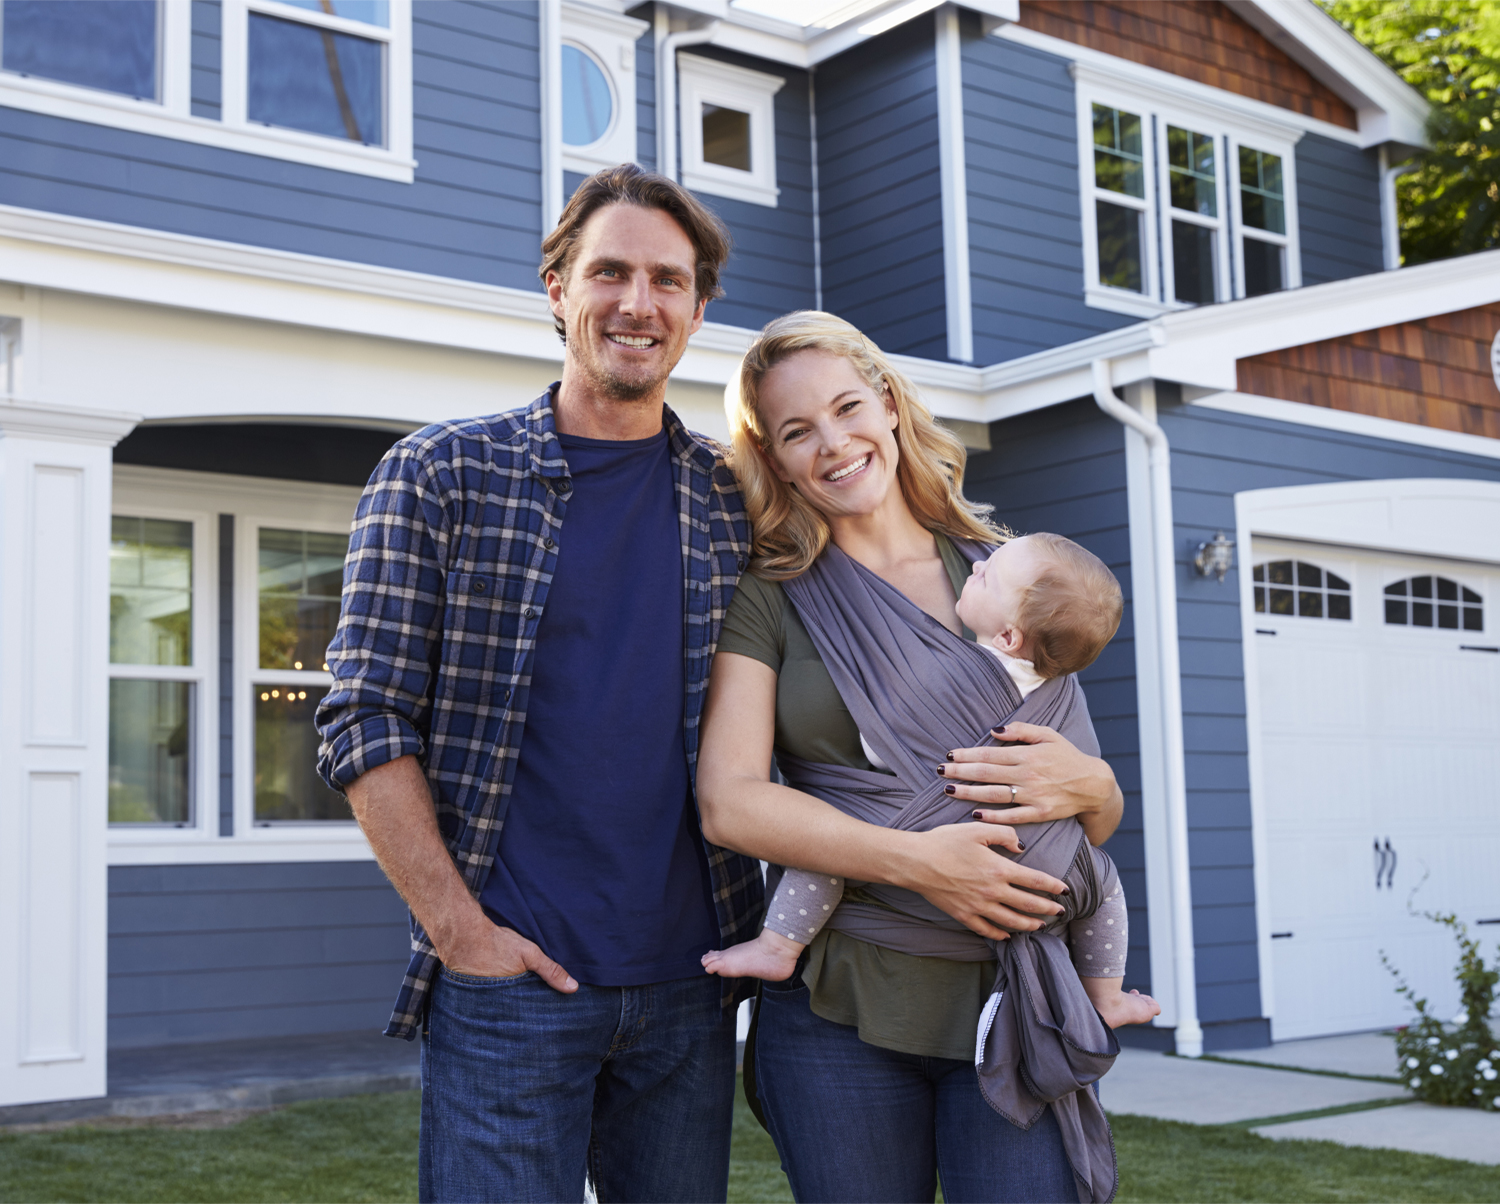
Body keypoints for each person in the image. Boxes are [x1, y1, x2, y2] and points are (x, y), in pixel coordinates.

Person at [315, 165, 763, 1204]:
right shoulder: (439, 476)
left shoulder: (735, 502)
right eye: (609, 271)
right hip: (510, 978)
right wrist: (461, 932)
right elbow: (362, 715)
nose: (638, 303)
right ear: (557, 287)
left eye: (667, 279)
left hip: (692, 984)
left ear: (698, 309)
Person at [696, 311, 1129, 1204]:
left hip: (1013, 1000)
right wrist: (921, 861)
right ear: (773, 459)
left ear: (889, 405)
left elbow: (1085, 813)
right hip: (843, 1009)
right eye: (796, 432)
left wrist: (1101, 783)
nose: (834, 443)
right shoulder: (771, 600)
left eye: (849, 407)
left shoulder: (1008, 576)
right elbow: (730, 804)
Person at [704, 532, 1160, 1030]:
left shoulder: (948, 672)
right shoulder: (1054, 688)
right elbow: (1082, 803)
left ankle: (778, 945)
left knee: (827, 847)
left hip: (930, 835)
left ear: (1008, 636)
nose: (977, 568)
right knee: (1104, 884)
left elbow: (883, 742)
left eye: (989, 574)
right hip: (1046, 872)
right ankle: (1107, 996)